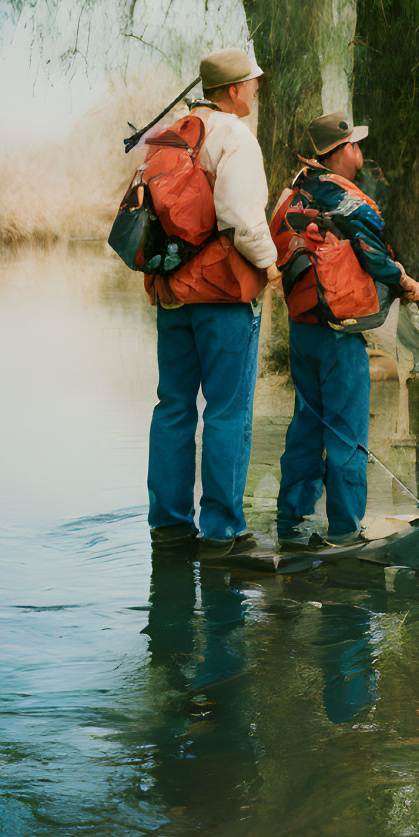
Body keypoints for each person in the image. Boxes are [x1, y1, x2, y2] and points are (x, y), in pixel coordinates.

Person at [271, 111, 419, 550]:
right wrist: (410, 286)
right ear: (342, 151)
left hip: (302, 325)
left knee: (307, 422)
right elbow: (375, 256)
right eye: (355, 145)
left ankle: (291, 521)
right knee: (346, 429)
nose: (359, 152)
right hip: (338, 332)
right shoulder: (347, 199)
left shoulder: (296, 188)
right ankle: (345, 531)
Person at [147, 48, 280, 557]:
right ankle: (222, 533)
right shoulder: (235, 137)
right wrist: (269, 265)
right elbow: (239, 218)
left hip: (172, 294)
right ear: (233, 91)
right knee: (227, 411)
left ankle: (170, 528)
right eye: (253, 83)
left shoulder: (173, 134)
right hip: (223, 295)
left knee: (174, 407)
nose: (257, 90)